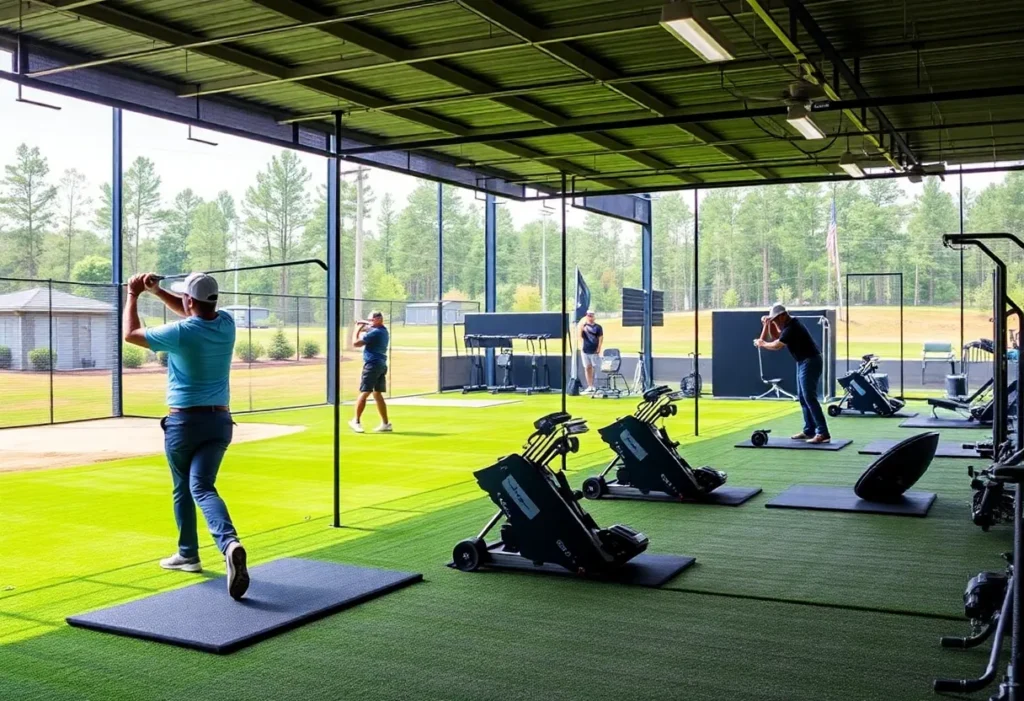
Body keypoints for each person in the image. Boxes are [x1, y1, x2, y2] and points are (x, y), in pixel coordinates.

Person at [123, 271, 249, 600]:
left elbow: (131, 335)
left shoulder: (181, 332)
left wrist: (134, 294)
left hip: (184, 424)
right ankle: (220, 546)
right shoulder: (227, 323)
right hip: (220, 422)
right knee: (203, 486)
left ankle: (193, 552)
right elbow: (192, 309)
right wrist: (158, 291)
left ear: (190, 300)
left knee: (185, 487)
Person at [754, 303, 831, 444]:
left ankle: (823, 433)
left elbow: (777, 345)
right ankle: (809, 430)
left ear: (783, 315)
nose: (775, 321)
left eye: (776, 319)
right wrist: (769, 323)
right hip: (802, 362)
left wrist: (762, 343)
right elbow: (777, 335)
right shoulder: (788, 325)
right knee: (803, 397)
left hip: (810, 361)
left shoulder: (793, 327)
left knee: (809, 397)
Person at [350, 310, 392, 434]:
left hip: (372, 365)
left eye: (372, 320)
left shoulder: (376, 333)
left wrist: (356, 329)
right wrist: (364, 325)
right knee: (377, 394)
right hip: (381, 365)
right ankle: (386, 423)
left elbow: (356, 343)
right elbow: (369, 329)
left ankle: (356, 421)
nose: (370, 323)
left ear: (379, 319)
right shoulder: (382, 330)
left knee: (365, 392)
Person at [578, 310, 604, 394]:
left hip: (594, 350)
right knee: (587, 367)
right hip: (585, 349)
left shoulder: (598, 327)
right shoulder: (583, 326)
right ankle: (590, 386)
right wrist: (581, 345)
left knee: (595, 367)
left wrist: (599, 347)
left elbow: (600, 337)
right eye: (589, 315)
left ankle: (596, 385)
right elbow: (579, 335)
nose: (590, 317)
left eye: (591, 315)